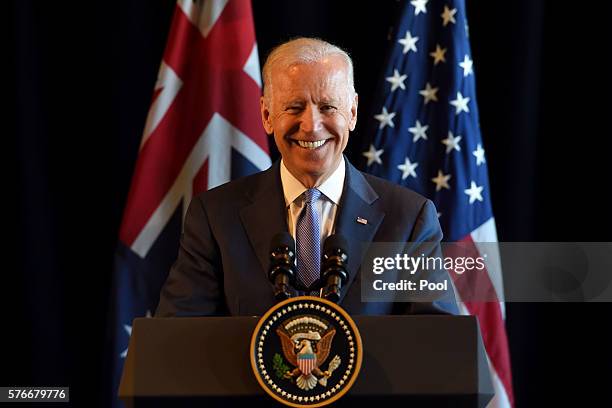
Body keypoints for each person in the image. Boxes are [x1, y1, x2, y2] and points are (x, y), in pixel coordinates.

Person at [156, 38, 456, 317]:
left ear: (351, 112)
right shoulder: (215, 216)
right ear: (266, 115)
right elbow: (178, 338)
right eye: (294, 107)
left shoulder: (407, 219)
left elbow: (434, 342)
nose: (311, 126)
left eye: (327, 107)